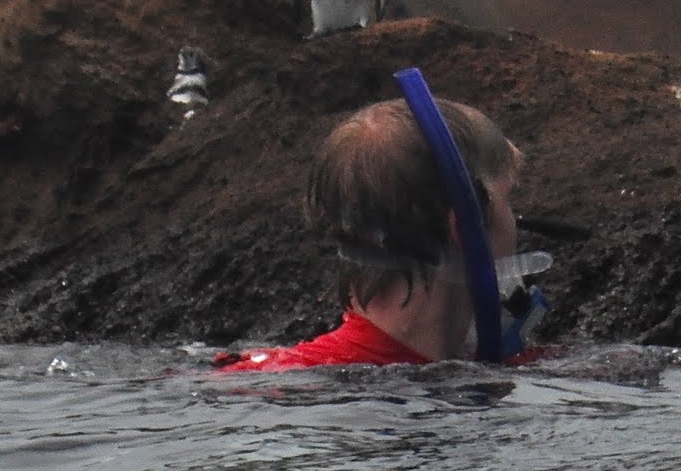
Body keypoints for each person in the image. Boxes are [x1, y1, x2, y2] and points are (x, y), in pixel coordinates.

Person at [215, 96, 524, 372]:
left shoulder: (280, 379)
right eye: (509, 198)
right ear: (465, 227)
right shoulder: (281, 380)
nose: (516, 219)